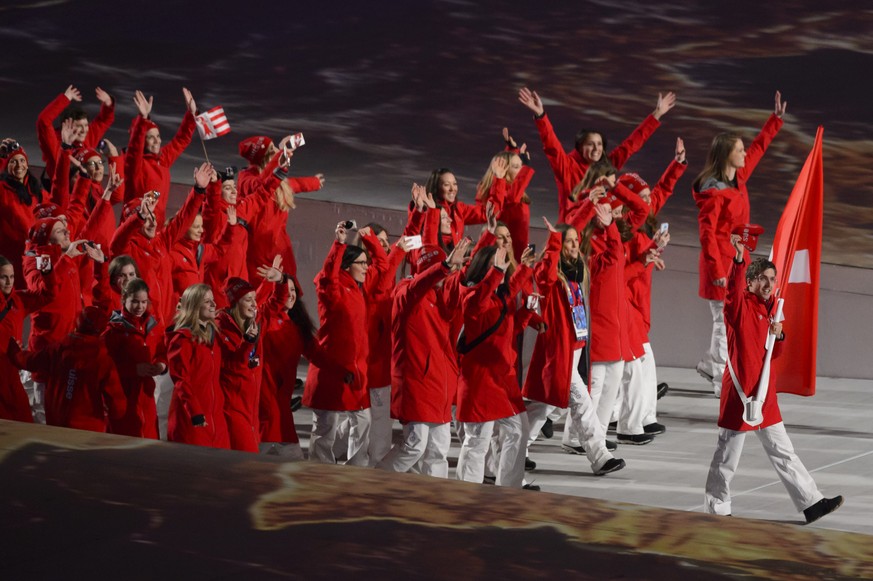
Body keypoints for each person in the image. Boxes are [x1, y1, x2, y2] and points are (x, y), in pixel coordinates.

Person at [703, 234, 843, 524]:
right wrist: (739, 259)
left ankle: (811, 502)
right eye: (763, 279)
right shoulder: (739, 305)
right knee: (727, 455)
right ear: (751, 281)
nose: (768, 284)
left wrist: (779, 335)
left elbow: (772, 355)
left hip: (764, 394)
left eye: (772, 279)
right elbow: (730, 294)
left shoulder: (771, 312)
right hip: (740, 395)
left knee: (783, 451)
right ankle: (717, 509)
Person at [693, 92, 786, 397]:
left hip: (736, 263)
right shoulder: (713, 192)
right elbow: (707, 235)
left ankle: (711, 364)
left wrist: (775, 121)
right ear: (726, 155)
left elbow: (758, 149)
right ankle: (721, 376)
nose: (744, 154)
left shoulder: (738, 179)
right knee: (724, 322)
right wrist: (719, 269)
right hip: (720, 266)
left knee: (726, 320)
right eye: (739, 150)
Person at [522, 217, 626, 477]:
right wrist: (554, 241)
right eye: (568, 242)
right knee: (582, 402)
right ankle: (600, 457)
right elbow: (544, 272)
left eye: (575, 242)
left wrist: (609, 225)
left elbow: (613, 255)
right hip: (560, 353)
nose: (573, 246)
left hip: (577, 350)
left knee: (540, 407)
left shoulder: (579, 272)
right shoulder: (550, 277)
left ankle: (515, 448)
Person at [376, 237, 471, 478]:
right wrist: (445, 267)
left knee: (438, 450)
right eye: (442, 269)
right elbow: (421, 283)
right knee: (414, 445)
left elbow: (463, 280)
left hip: (439, 385)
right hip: (417, 384)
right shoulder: (405, 295)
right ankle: (375, 481)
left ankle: (432, 501)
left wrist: (486, 244)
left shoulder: (441, 299)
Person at [518, 87, 676, 222]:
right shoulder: (567, 167)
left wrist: (657, 114)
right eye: (590, 144)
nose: (596, 149)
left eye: (599, 144)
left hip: (600, 237)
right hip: (573, 235)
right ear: (580, 147)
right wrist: (540, 115)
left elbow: (631, 144)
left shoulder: (606, 165)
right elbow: (552, 145)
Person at [302, 222, 386, 465]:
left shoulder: (358, 289)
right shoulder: (333, 289)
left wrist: (369, 239)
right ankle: (320, 473)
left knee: (363, 422)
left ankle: (354, 470)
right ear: (347, 266)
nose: (366, 267)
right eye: (361, 263)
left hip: (355, 373)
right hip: (332, 371)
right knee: (326, 428)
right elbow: (328, 275)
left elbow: (382, 265)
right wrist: (339, 243)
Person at [455, 244, 535, 488]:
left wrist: (525, 268)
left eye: (501, 265)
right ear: (483, 270)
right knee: (477, 442)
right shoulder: (471, 295)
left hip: (501, 381)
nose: (500, 271)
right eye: (493, 266)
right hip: (480, 383)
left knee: (517, 432)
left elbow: (508, 325)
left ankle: (509, 488)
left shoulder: (500, 297)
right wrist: (498, 273)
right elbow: (478, 302)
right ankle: (465, 495)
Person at [166, 283, 229, 449]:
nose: (214, 305)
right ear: (194, 305)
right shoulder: (183, 339)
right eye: (207, 301)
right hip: (192, 422)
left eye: (213, 300)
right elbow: (181, 381)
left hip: (216, 420)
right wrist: (195, 413)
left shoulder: (214, 336)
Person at [103, 278, 167, 439]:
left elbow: (161, 350)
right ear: (124, 300)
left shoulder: (153, 325)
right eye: (135, 302)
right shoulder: (113, 330)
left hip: (146, 395)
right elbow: (104, 366)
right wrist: (133, 370)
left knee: (150, 442)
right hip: (123, 398)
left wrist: (161, 365)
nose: (140, 307)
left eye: (144, 302)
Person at [125, 88, 197, 223]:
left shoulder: (162, 159)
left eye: (158, 136)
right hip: (135, 230)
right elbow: (134, 148)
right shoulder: (135, 165)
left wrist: (191, 114)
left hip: (155, 229)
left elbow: (181, 140)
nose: (157, 141)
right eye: (150, 137)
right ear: (142, 140)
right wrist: (143, 119)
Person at [0, 255, 55, 422]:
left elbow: (47, 295)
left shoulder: (17, 300)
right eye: (3, 277)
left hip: (10, 373)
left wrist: (46, 269)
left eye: (11, 277)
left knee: (21, 420)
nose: (9, 282)